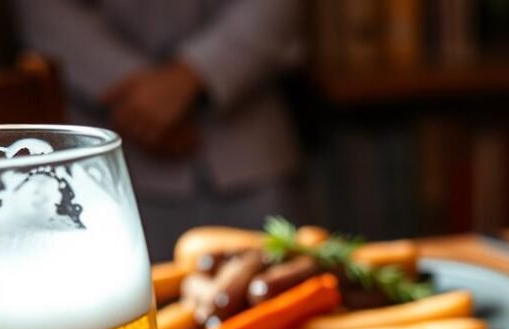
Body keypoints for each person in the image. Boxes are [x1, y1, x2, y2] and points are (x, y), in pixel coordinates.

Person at [16, 0, 306, 262]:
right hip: (115, 155)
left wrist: (195, 74)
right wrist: (142, 99)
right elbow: (47, 13)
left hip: (250, 144)